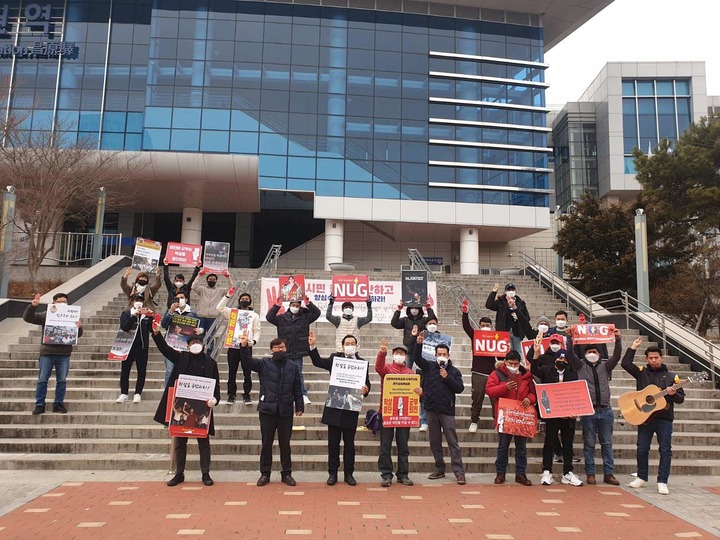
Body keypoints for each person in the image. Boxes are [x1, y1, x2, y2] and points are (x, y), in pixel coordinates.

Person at [151, 322, 221, 487]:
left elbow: (216, 385)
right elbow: (165, 349)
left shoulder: (211, 363)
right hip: (181, 406)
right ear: (188, 345)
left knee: (203, 441)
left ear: (203, 345)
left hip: (203, 406)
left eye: (198, 343)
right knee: (180, 440)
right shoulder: (181, 357)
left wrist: (215, 399)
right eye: (192, 343)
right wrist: (156, 333)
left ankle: (205, 474)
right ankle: (179, 473)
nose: (195, 345)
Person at [239, 334, 304, 487]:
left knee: (285, 444)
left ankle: (286, 473)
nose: (279, 350)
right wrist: (244, 347)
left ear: (286, 349)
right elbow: (247, 363)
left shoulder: (292, 366)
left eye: (282, 347)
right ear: (271, 350)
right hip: (267, 409)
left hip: (285, 410)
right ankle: (264, 473)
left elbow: (297, 387)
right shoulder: (264, 364)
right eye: (276, 348)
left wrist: (299, 406)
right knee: (266, 443)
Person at [308, 332, 370, 486]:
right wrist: (312, 346)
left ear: (357, 346)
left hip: (351, 408)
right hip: (334, 408)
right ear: (342, 346)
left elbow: (367, 384)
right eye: (347, 343)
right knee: (333, 444)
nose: (350, 346)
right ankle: (332, 473)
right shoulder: (335, 359)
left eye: (352, 343)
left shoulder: (362, 363)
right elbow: (317, 362)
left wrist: (366, 389)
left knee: (349, 445)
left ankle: (349, 474)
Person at [623, 342, 683, 495]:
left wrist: (673, 394)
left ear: (661, 358)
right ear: (647, 359)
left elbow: (681, 399)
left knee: (665, 450)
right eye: (651, 358)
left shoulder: (671, 377)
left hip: (664, 418)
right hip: (645, 418)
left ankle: (662, 481)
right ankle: (642, 477)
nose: (654, 360)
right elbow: (626, 363)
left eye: (657, 357)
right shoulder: (641, 372)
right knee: (642, 449)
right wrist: (633, 347)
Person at [565, 327, 623, 485]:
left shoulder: (606, 366)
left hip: (605, 410)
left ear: (599, 354)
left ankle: (608, 473)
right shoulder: (580, 366)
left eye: (595, 352)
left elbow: (617, 356)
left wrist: (618, 339)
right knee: (589, 444)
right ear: (584, 354)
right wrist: (569, 338)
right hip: (588, 410)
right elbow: (570, 354)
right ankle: (590, 473)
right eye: (589, 351)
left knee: (607, 443)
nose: (592, 354)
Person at [528, 336, 582, 487]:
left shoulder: (572, 375)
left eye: (565, 361)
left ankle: (567, 472)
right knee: (549, 443)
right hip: (552, 415)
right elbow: (534, 369)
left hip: (568, 416)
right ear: (555, 360)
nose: (562, 362)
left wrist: (576, 410)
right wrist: (536, 354)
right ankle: (547, 471)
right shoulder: (546, 371)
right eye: (560, 360)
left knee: (568, 444)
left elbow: (576, 394)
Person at [412, 334, 466, 484]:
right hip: (431, 410)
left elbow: (459, 388)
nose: (442, 356)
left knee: (452, 443)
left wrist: (447, 377)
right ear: (435, 355)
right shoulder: (429, 367)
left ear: (448, 355)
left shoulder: (454, 371)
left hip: (447, 411)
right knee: (434, 442)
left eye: (444, 354)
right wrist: (418, 344)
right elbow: (417, 359)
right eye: (439, 354)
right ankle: (439, 468)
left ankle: (459, 472)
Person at [24, 293, 83, 415]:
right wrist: (32, 306)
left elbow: (78, 335)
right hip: (47, 352)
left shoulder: (72, 316)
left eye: (65, 302)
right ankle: (40, 404)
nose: (63, 304)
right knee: (42, 379)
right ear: (54, 303)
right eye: (60, 301)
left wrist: (79, 327)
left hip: (64, 354)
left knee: (61, 380)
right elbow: (28, 318)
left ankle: (58, 404)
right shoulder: (47, 315)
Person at [486, 350, 536, 486]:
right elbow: (489, 390)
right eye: (510, 363)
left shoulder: (526, 376)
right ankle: (500, 473)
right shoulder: (496, 374)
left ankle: (521, 473)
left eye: (516, 364)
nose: (513, 366)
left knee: (522, 448)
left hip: (521, 416)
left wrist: (529, 399)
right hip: (505, 415)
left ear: (519, 363)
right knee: (503, 446)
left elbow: (533, 393)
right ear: (505, 362)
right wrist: (505, 387)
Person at [375, 339, 419, 487]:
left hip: (404, 415)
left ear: (406, 356)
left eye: (402, 353)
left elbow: (415, 394)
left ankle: (403, 474)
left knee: (403, 446)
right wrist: (382, 353)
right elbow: (378, 368)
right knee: (385, 445)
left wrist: (420, 392)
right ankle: (386, 474)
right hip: (386, 412)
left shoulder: (410, 373)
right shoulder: (387, 369)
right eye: (397, 353)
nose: (399, 355)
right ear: (393, 355)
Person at [266, 296, 321, 405]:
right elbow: (269, 317)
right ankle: (283, 395)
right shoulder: (281, 318)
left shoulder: (305, 317)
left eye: (297, 305)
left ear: (300, 306)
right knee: (281, 373)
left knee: (298, 373)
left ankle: (302, 394)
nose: (295, 307)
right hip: (283, 350)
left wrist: (309, 304)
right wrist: (277, 305)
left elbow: (317, 313)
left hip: (298, 350)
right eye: (293, 305)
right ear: (289, 306)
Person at [217, 289, 261, 404]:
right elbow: (219, 308)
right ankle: (231, 395)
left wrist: (253, 342)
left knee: (247, 371)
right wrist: (227, 296)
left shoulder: (254, 315)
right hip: (233, 346)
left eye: (246, 299)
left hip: (246, 347)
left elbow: (257, 331)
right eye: (242, 299)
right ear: (239, 301)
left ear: (250, 302)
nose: (244, 301)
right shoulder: (233, 313)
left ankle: (247, 394)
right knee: (232, 372)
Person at [462, 302, 497, 433]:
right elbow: (466, 327)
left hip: (493, 373)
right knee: (477, 398)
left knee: (495, 400)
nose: (485, 328)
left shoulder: (496, 338)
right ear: (479, 326)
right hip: (478, 372)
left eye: (488, 326)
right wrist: (465, 314)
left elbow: (501, 354)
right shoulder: (475, 335)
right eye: (483, 326)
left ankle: (497, 421)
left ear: (491, 327)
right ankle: (474, 421)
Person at [160, 291, 203, 388]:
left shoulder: (192, 313)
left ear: (186, 299)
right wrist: (171, 311)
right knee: (169, 370)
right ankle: (167, 393)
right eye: (177, 298)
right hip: (171, 344)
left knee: (184, 371)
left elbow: (198, 328)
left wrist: (200, 330)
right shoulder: (171, 311)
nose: (179, 300)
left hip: (185, 346)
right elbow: (163, 325)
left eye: (182, 297)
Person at [116, 294, 154, 403]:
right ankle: (124, 393)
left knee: (141, 371)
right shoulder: (126, 313)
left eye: (141, 300)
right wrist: (134, 316)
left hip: (142, 347)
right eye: (136, 300)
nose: (139, 302)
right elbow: (124, 327)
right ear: (132, 302)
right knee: (125, 371)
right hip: (127, 347)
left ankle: (138, 393)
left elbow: (152, 330)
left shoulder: (146, 315)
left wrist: (150, 317)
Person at [485, 283, 531, 355]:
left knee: (518, 352)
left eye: (512, 289)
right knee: (507, 352)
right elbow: (489, 305)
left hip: (517, 332)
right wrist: (494, 292)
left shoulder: (520, 303)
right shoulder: (501, 301)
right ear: (505, 291)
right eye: (508, 290)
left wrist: (518, 316)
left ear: (515, 291)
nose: (510, 291)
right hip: (504, 331)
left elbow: (527, 318)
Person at [191, 268, 230, 337]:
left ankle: (210, 348)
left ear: (216, 281)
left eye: (214, 280)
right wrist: (199, 276)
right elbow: (193, 286)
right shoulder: (201, 289)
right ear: (207, 280)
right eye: (210, 279)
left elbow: (230, 289)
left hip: (213, 318)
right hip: (201, 317)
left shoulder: (220, 290)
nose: (212, 281)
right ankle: (200, 348)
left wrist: (228, 278)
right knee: (199, 336)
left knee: (211, 337)